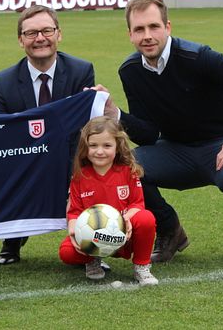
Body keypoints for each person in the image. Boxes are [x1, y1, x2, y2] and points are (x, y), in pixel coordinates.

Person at [98, 0, 223, 265]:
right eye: (139, 29)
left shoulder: (197, 57)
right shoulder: (130, 71)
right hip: (175, 150)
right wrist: (115, 113)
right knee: (125, 167)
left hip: (222, 144)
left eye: (154, 26)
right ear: (130, 34)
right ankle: (170, 229)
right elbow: (147, 133)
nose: (147, 35)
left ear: (167, 27)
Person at [0, 4, 95, 265]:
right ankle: (11, 239)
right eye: (31, 33)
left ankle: (90, 241)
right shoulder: (3, 81)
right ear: (20, 40)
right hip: (24, 158)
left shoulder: (81, 70)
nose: (40, 38)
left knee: (97, 161)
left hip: (70, 155)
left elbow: (86, 125)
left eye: (47, 30)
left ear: (58, 34)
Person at [58, 116, 158, 286]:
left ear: (117, 147)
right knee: (66, 252)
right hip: (94, 238)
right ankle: (93, 259)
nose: (99, 151)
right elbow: (74, 211)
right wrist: (74, 230)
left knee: (146, 218)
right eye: (93, 145)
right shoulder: (79, 176)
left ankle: (142, 267)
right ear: (85, 147)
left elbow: (137, 204)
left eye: (107, 146)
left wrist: (126, 219)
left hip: (124, 235)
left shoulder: (128, 171)